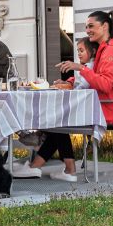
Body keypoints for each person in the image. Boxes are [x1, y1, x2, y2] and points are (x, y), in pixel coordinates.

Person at [15, 37, 95, 181]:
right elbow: (79, 84)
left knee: (57, 123)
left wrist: (70, 85)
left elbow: (82, 87)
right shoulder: (85, 67)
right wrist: (66, 83)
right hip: (84, 107)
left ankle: (66, 169)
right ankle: (36, 166)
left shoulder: (89, 67)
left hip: (86, 110)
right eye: (78, 51)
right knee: (56, 124)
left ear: (92, 51)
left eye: (82, 50)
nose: (79, 54)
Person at [59, 8, 113, 128]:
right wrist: (68, 82)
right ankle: (54, 147)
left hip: (112, 112)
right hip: (107, 107)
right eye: (86, 27)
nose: (87, 31)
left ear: (104, 26)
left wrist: (80, 68)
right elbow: (94, 77)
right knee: (59, 116)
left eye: (90, 26)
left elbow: (105, 84)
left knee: (58, 116)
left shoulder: (111, 50)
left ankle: (43, 145)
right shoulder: (106, 48)